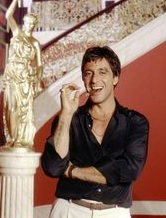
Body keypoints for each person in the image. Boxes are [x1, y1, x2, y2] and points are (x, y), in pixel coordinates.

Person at [41, 46, 149, 218]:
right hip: (69, 210)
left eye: (102, 72)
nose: (94, 80)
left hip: (114, 212)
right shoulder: (68, 119)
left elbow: (130, 170)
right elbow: (54, 167)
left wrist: (71, 171)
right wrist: (66, 114)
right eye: (88, 73)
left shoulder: (135, 122)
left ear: (115, 77)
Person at [1, 0, 43, 148]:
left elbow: (39, 64)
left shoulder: (35, 43)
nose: (30, 26)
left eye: (33, 24)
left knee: (23, 110)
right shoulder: (17, 32)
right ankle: (11, 138)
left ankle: (20, 139)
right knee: (11, 107)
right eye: (28, 22)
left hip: (25, 77)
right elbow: (8, 16)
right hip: (12, 74)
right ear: (24, 22)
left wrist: (38, 81)